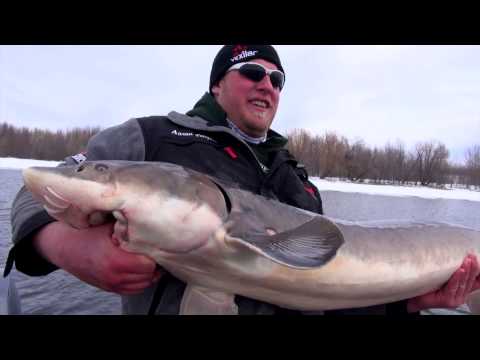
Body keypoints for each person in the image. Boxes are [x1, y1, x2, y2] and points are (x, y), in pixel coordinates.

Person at [4, 45, 480, 315]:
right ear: (216, 85)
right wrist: (64, 247)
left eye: (277, 80)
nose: (267, 85)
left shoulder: (297, 180)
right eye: (252, 71)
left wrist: (412, 301)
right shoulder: (151, 138)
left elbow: (318, 290)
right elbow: (37, 188)